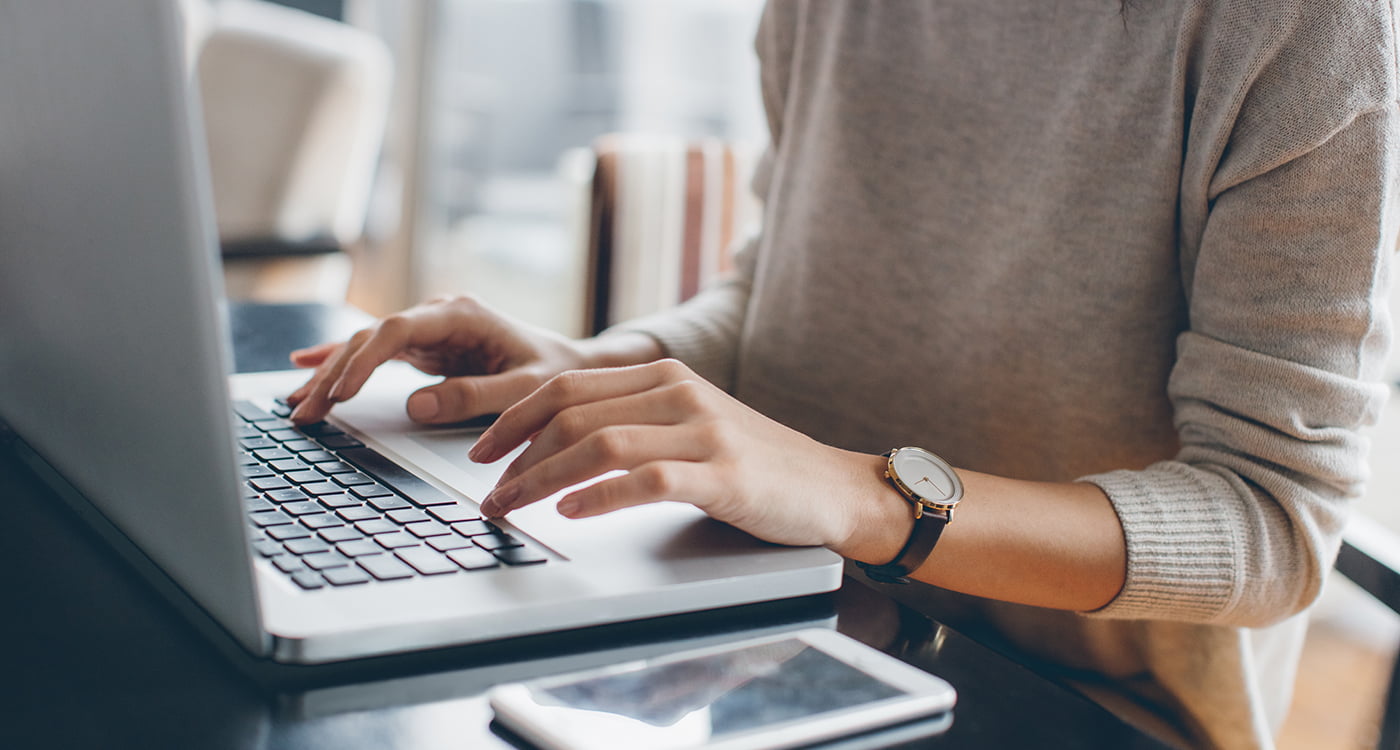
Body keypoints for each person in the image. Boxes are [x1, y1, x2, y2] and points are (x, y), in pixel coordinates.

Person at [287, 2, 1399, 748]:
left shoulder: (1306, 31)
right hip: (760, 622)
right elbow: (774, 288)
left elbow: (1270, 523)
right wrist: (593, 369)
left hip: (1069, 706)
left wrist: (866, 497)